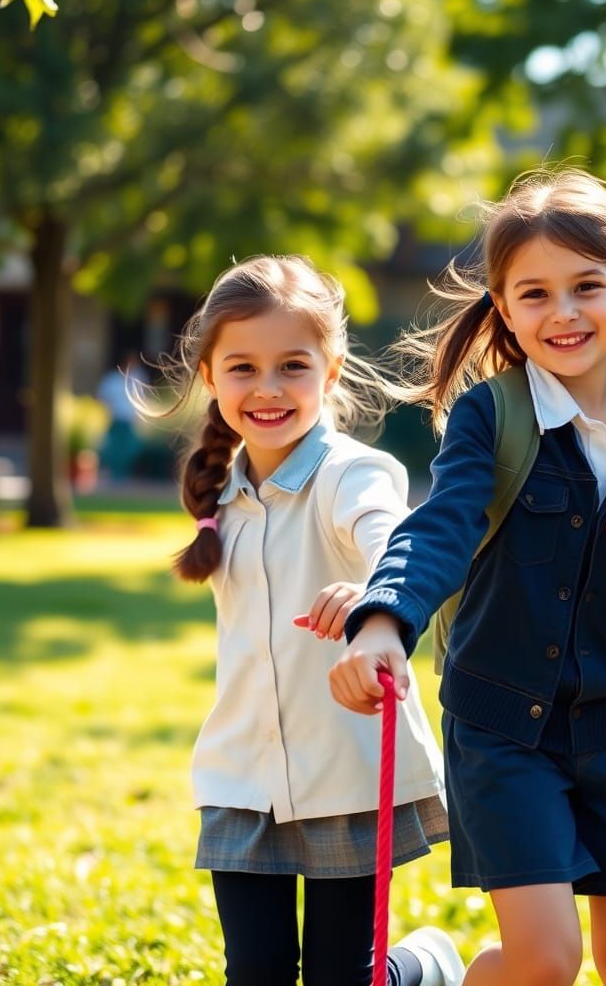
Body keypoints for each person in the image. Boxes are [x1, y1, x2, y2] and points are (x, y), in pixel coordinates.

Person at [328, 169, 606, 986]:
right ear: (503, 309)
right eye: (534, 294)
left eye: (586, 287)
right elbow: (439, 528)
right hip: (503, 728)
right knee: (547, 961)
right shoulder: (491, 415)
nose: (562, 313)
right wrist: (383, 621)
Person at [154, 255, 464, 986]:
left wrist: (373, 595)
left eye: (293, 365)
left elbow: (392, 535)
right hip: (239, 773)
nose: (267, 388)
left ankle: (421, 966)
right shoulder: (218, 490)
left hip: (341, 770)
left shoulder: (351, 473)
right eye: (243, 368)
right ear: (209, 376)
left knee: (339, 976)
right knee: (255, 969)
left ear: (330, 371)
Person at [97, 351, 148, 480]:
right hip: (116, 419)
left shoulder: (138, 377)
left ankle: (123, 473)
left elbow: (143, 398)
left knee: (130, 447)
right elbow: (103, 398)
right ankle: (115, 474)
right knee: (114, 448)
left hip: (130, 420)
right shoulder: (112, 379)